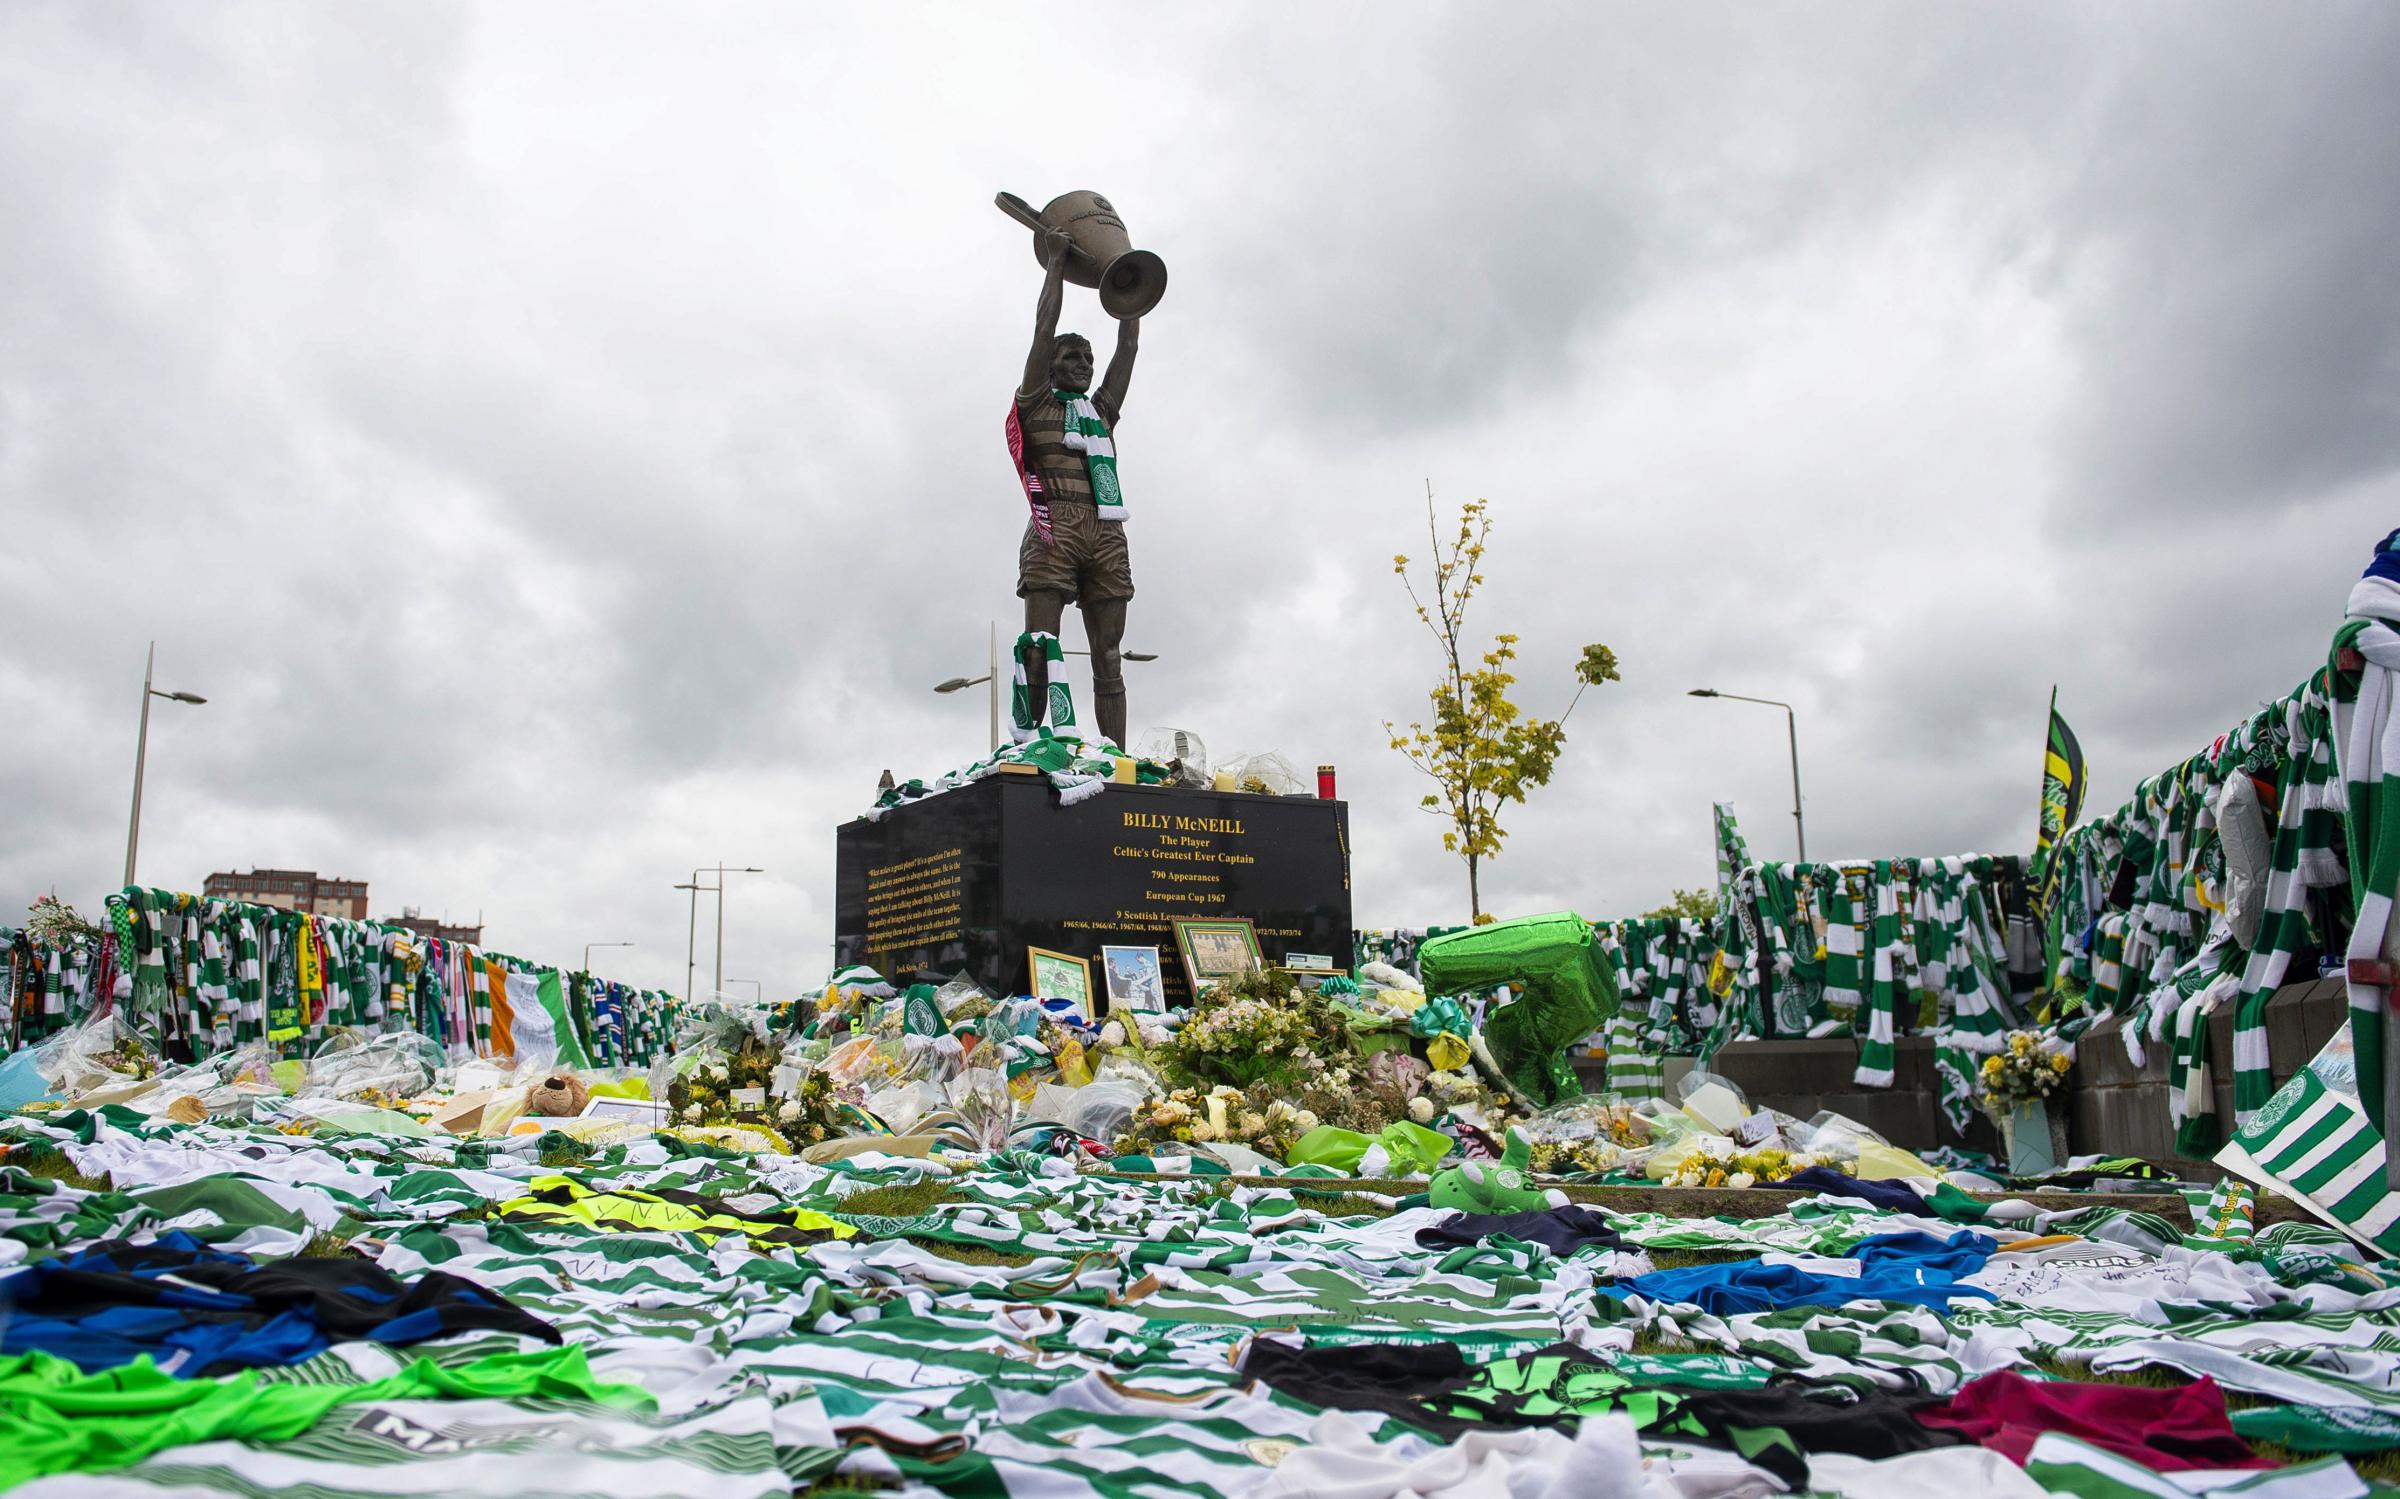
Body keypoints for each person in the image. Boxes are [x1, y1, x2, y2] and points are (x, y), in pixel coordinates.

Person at [1008, 224, 1140, 747]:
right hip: (1053, 527)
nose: (1084, 365)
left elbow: (1126, 348)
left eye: (1087, 358)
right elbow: (1044, 329)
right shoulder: (1035, 401)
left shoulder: (1101, 413)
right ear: (1051, 367)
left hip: (1106, 531)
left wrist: (1130, 288)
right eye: (1073, 358)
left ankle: (1120, 763)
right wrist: (1057, 264)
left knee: (1109, 656)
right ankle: (1035, 746)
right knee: (1041, 645)